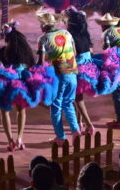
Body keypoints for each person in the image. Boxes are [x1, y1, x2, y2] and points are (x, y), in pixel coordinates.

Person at [0, 23, 57, 151]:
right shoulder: (25, 51)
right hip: (22, 82)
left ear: (7, 39)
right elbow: (33, 65)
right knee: (21, 110)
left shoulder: (3, 51)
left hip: (7, 82)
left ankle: (10, 141)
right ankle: (20, 138)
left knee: (4, 111)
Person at [37, 9, 80, 144]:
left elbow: (41, 62)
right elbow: (74, 52)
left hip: (59, 75)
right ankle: (75, 130)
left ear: (44, 25)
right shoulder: (66, 33)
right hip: (72, 72)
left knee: (56, 106)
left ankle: (60, 137)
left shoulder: (43, 39)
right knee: (68, 103)